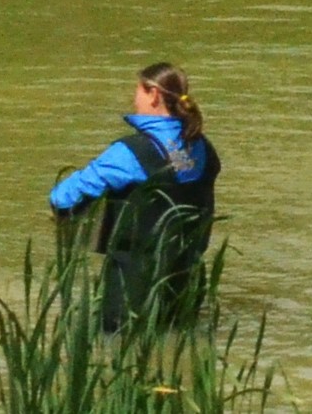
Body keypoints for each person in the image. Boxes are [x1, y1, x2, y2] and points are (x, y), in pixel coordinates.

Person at [47, 62, 222, 334]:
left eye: (137, 90)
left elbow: (63, 199)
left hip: (132, 296)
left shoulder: (130, 152)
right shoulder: (202, 146)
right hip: (186, 289)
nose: (133, 98)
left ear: (153, 95)